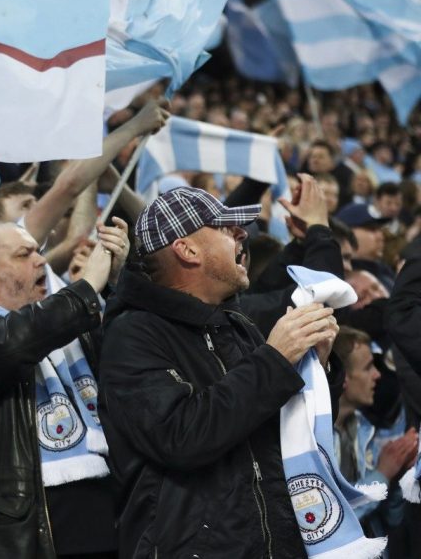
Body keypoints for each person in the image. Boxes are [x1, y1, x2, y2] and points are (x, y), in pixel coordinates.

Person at [100, 186, 340, 558]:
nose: (242, 234)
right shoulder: (132, 333)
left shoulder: (237, 325)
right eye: (226, 228)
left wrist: (317, 371)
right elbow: (181, 436)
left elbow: (289, 438)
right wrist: (276, 360)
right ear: (188, 250)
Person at [0, 221, 120, 558]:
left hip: (108, 523)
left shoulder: (72, 322)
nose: (42, 262)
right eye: (24, 254)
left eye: (39, 251)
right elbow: (14, 342)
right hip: (21, 538)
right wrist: (86, 287)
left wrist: (118, 280)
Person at [332, 326, 417, 539]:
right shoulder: (314, 440)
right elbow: (331, 519)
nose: (377, 375)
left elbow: (391, 519)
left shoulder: (365, 430)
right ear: (343, 378)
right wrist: (382, 474)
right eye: (368, 367)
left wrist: (398, 475)